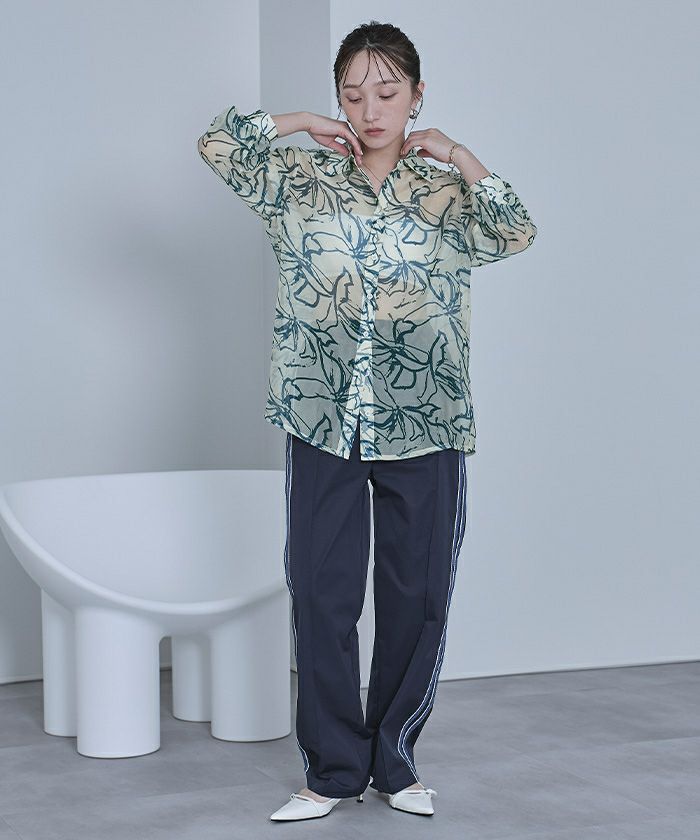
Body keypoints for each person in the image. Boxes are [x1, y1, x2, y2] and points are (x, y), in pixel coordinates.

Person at [197, 19, 537, 823]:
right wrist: (297, 122)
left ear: (417, 95)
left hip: (428, 419)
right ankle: (330, 772)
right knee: (322, 594)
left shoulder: (447, 193)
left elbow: (515, 228)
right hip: (322, 416)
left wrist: (458, 153)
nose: (369, 108)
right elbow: (218, 144)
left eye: (387, 92)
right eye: (352, 94)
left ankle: (395, 761)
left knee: (417, 596)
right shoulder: (299, 182)